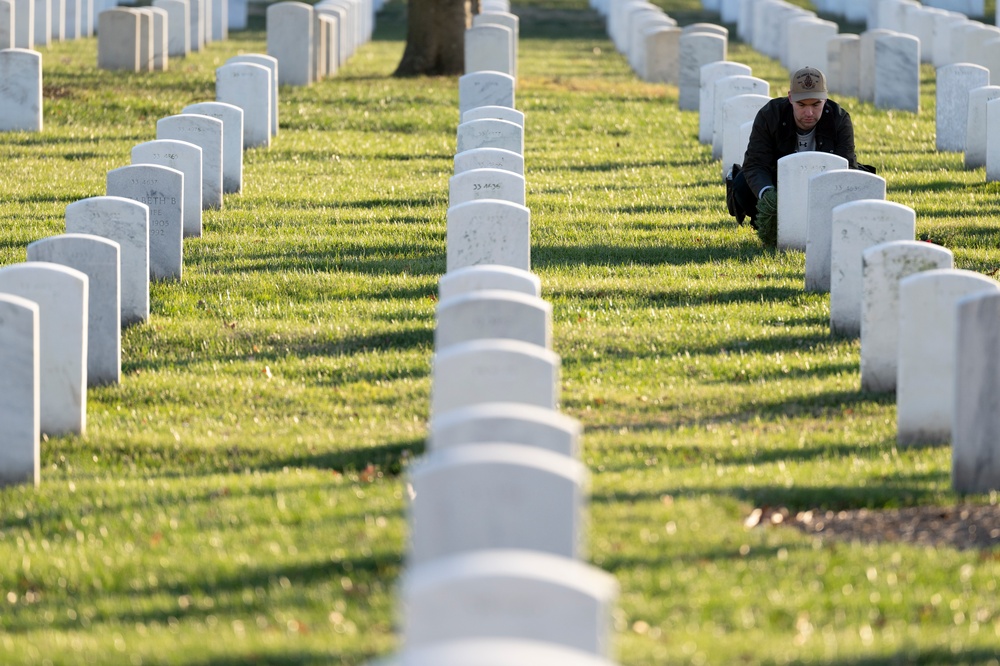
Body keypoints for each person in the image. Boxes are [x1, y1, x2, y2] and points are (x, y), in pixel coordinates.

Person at [727, 66, 864, 232]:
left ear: (825, 99)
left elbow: (848, 166)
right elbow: (755, 164)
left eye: (816, 104)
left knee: (864, 184)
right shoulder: (770, 115)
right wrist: (767, 194)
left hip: (824, 184)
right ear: (790, 98)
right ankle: (768, 225)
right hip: (779, 182)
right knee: (742, 185)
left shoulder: (839, 119)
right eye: (801, 104)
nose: (809, 112)